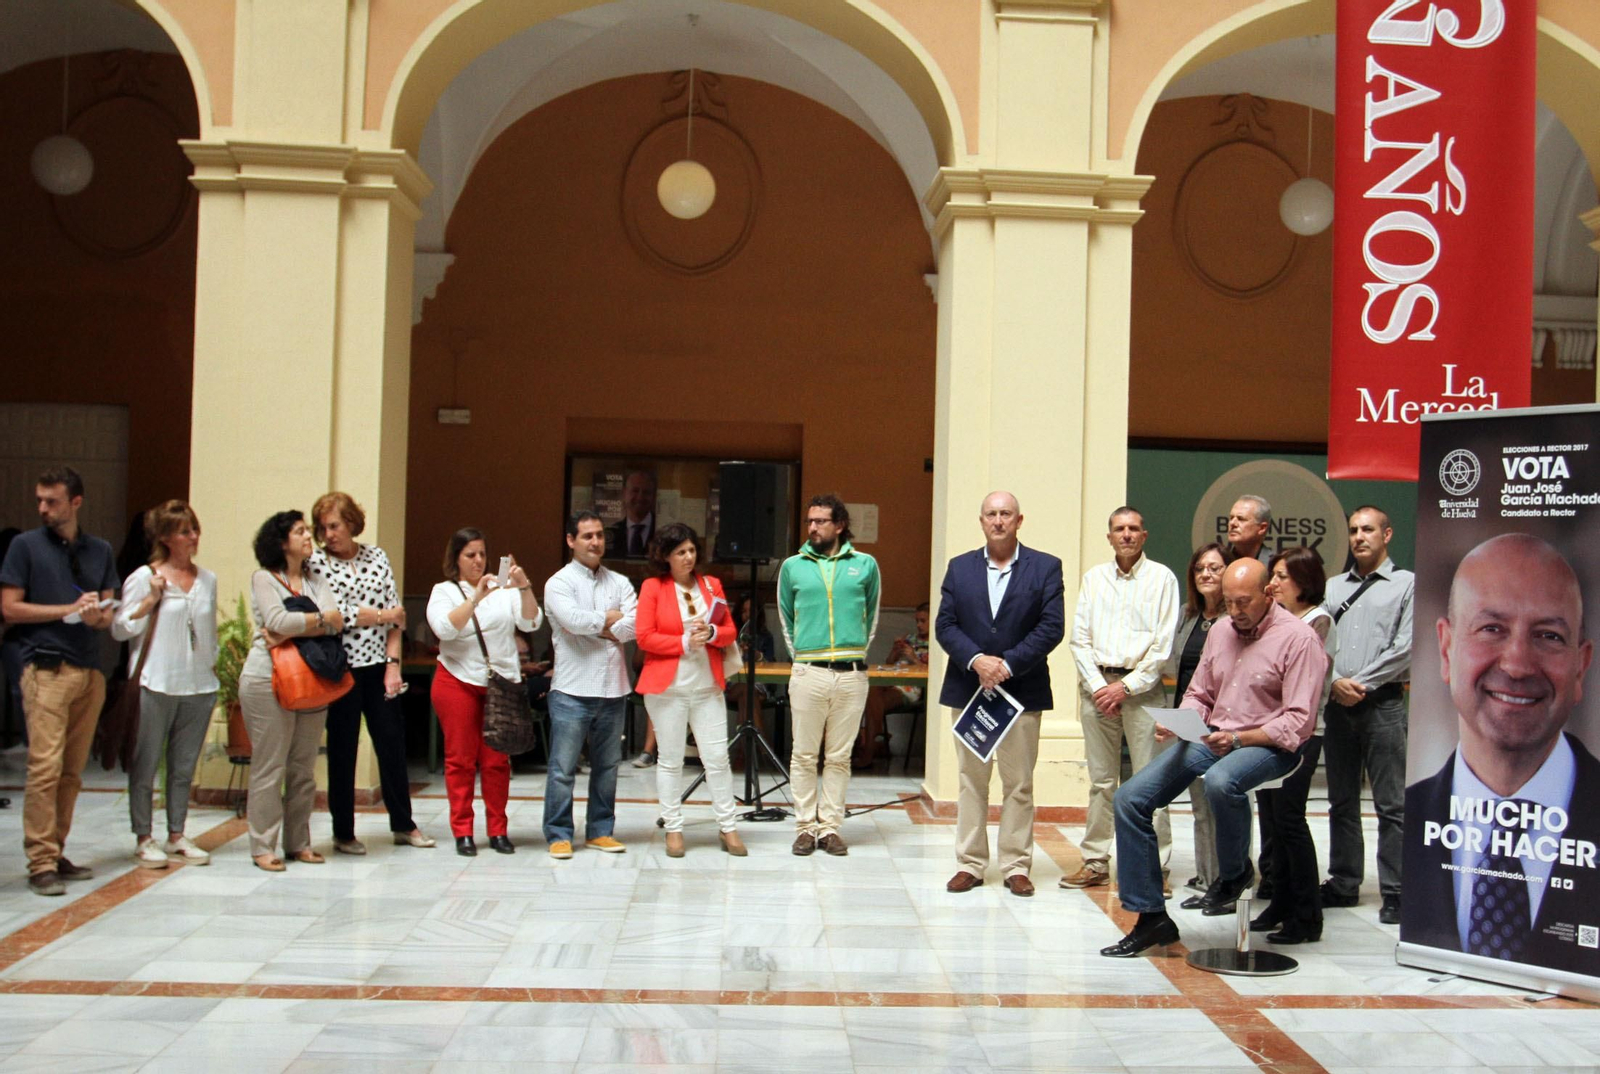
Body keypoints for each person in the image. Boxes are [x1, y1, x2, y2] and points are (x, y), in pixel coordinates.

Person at [1101, 559, 1326, 958]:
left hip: (1269, 745)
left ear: (1268, 595)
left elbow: (1298, 722)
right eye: (1228, 602)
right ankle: (1151, 915)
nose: (1235, 611)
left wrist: (1240, 737)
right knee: (1129, 799)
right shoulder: (1221, 630)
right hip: (1214, 736)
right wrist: (1182, 721)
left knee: (1222, 781)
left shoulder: (1299, 639)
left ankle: (1234, 874)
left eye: (1243, 602)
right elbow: (1201, 692)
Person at [1403, 534, 1595, 970]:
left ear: (1581, 666)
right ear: (1446, 648)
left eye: (1549, 635)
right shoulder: (1410, 821)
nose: (1517, 664)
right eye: (1492, 629)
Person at [935, 491, 1064, 896]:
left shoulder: (1045, 567)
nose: (998, 521)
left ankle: (1015, 866)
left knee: (1019, 784)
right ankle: (970, 864)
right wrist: (976, 660)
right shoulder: (959, 569)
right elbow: (945, 626)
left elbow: (1051, 627)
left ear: (1019, 520)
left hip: (1021, 691)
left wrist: (1006, 664)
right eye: (991, 514)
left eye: (1005, 514)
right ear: (981, 521)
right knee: (971, 782)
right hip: (969, 690)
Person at [0, 467, 119, 896]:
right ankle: (40, 861)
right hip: (45, 667)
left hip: (88, 670)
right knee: (44, 769)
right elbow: (10, 609)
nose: (43, 508)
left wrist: (94, 615)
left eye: (51, 501)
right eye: (40, 500)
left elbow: (108, 613)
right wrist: (64, 609)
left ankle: (57, 847)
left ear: (76, 503)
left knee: (71, 772)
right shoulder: (24, 546)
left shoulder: (99, 550)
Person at [308, 492, 434, 854]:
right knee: (343, 749)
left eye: (334, 525)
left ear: (350, 522)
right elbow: (336, 616)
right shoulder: (317, 564)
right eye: (322, 528)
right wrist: (379, 616)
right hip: (341, 668)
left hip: (379, 665)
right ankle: (343, 832)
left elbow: (399, 615)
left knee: (392, 744)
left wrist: (393, 666)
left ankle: (403, 824)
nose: (328, 534)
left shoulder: (377, 556)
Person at [1064, 506, 1180, 892]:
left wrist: (1125, 687)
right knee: (1100, 781)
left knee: (1152, 780)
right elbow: (1078, 640)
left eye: (1133, 528)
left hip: (1143, 691)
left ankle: (1155, 867)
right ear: (1109, 536)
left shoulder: (1162, 578)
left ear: (1144, 535)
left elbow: (1162, 645)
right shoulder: (1094, 579)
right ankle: (1095, 861)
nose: (1126, 535)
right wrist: (1101, 686)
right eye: (1119, 529)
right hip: (1097, 690)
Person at [111, 500, 219, 869]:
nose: (193, 536)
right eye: (185, 530)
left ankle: (177, 833)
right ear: (165, 537)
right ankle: (144, 836)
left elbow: (209, 633)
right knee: (145, 763)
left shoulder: (208, 580)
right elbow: (120, 627)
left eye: (194, 528)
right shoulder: (145, 577)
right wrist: (149, 600)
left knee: (183, 765)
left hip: (199, 685)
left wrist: (214, 667)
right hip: (155, 682)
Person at [1320, 505, 1414, 925]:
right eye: (1354, 530)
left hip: (1384, 705)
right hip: (1338, 705)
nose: (1359, 537)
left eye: (1368, 529)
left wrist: (1361, 683)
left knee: (1391, 804)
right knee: (1341, 800)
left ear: (1387, 534)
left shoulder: (1407, 584)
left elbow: (1406, 647)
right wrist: (1338, 681)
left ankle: (1395, 890)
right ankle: (1343, 882)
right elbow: (1316, 642)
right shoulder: (1333, 587)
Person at [426, 527, 541, 856]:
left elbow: (531, 622)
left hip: (499, 684)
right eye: (470, 555)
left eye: (482, 554)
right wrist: (476, 596)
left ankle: (498, 830)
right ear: (456, 560)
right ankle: (463, 831)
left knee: (496, 761)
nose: (478, 561)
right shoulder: (444, 591)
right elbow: (445, 628)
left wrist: (524, 587)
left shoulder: (504, 589)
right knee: (460, 760)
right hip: (456, 680)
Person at [240, 511, 343, 873]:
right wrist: (316, 621)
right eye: (300, 531)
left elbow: (338, 621)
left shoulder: (316, 579)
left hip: (313, 678)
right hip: (267, 679)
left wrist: (298, 626)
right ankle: (263, 846)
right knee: (271, 765)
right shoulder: (264, 579)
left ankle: (298, 842)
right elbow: (276, 622)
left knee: (303, 766)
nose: (307, 536)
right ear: (282, 542)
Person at [635, 523, 746, 857]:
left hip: (706, 686)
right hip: (667, 688)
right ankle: (674, 828)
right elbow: (644, 637)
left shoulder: (711, 585)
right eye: (680, 552)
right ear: (665, 556)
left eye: (692, 550)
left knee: (717, 759)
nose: (688, 557)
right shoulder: (653, 587)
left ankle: (728, 827)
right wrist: (682, 641)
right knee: (669, 761)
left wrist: (711, 632)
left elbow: (729, 630)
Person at [779, 494, 881, 856]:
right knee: (803, 755)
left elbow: (871, 617)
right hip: (809, 671)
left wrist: (852, 656)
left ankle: (831, 829)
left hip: (852, 673)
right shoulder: (793, 566)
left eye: (821, 521)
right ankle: (806, 827)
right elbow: (786, 621)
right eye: (810, 521)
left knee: (839, 756)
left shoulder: (866, 564)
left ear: (839, 525)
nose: (813, 528)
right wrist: (805, 662)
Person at [1251, 546, 1337, 944]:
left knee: (1290, 819)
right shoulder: (1276, 621)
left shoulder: (1316, 622)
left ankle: (1306, 916)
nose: (1273, 583)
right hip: (1269, 730)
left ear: (1305, 581)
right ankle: (1280, 902)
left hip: (1302, 733)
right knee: (1271, 818)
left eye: (1282, 576)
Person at [543, 511, 638, 858]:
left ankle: (600, 830)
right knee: (563, 768)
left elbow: (635, 626)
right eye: (587, 536)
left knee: (608, 768)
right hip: (571, 690)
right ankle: (558, 833)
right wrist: (610, 622)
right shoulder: (559, 583)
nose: (595, 542)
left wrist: (598, 625)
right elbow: (571, 620)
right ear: (571, 540)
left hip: (614, 689)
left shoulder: (620, 582)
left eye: (599, 535)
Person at [1165, 542, 1227, 903]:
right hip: (1190, 721)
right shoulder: (1190, 617)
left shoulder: (1233, 621)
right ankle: (1206, 878)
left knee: (1221, 806)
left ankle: (1225, 882)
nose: (1206, 574)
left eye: (1215, 568)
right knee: (1200, 807)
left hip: (1221, 723)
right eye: (1200, 568)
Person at [856, 601, 930, 767]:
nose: (919, 625)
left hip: (910, 687)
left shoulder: (937, 643)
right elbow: (889, 663)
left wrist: (913, 658)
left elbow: (931, 673)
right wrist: (895, 652)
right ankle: (876, 734)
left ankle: (868, 751)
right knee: (872, 688)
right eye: (917, 621)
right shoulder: (910, 639)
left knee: (873, 699)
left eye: (923, 621)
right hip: (891, 681)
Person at [605, 470, 658, 558]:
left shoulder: (661, 530)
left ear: (654, 496)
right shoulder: (611, 533)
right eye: (635, 491)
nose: (640, 497)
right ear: (624, 493)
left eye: (646, 492)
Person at [1225, 495, 1272, 562]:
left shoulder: (1274, 566)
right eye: (1231, 518)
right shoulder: (1221, 564)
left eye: (1241, 519)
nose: (1232, 523)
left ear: (1262, 528)